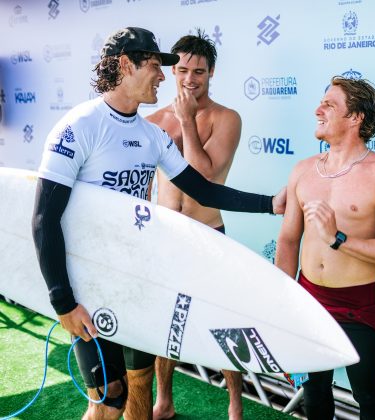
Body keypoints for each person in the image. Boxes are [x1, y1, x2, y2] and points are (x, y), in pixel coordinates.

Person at [31, 27, 285, 420]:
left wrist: (270, 204)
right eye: (155, 66)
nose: (166, 77)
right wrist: (62, 301)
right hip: (91, 284)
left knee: (138, 385)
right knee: (107, 397)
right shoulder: (80, 125)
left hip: (137, 278)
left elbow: (205, 189)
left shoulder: (151, 136)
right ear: (125, 65)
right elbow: (45, 219)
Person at [275, 76, 375, 419]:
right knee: (315, 392)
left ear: (356, 118)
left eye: (330, 105)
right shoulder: (303, 170)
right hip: (308, 300)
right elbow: (289, 239)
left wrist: (339, 238)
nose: (317, 110)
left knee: (368, 397)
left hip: (359, 307)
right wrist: (280, 302)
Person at [145, 30, 244, 420]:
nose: (190, 79)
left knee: (222, 324)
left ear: (212, 72)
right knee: (165, 326)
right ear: (172, 70)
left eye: (199, 72)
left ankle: (235, 403)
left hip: (208, 235)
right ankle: (164, 401)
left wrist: (186, 120)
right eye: (183, 69)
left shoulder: (226, 119)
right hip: (166, 237)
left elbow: (203, 179)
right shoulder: (152, 120)